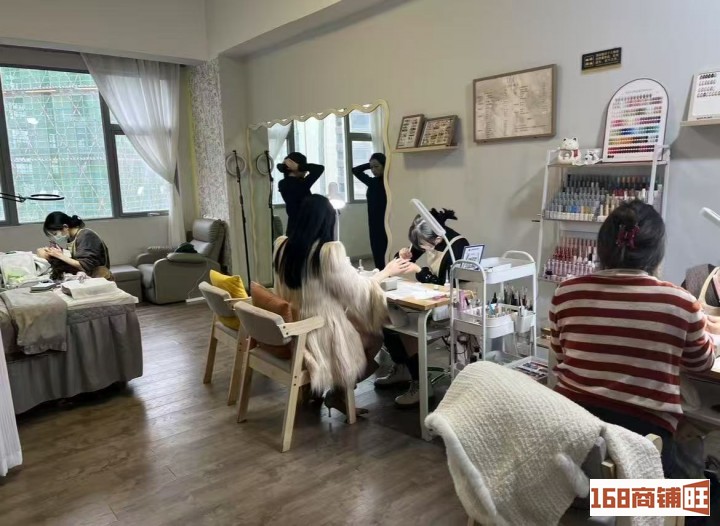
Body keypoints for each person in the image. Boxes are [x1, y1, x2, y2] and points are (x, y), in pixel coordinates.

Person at [550, 200, 718, 477]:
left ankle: (596, 500)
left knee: (597, 489)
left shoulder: (566, 292)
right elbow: (702, 363)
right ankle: (674, 503)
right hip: (645, 446)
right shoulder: (681, 303)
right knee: (697, 490)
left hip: (573, 435)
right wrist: (707, 333)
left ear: (602, 247)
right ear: (657, 252)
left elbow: (561, 354)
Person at [273, 194, 412, 416]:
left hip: (295, 328)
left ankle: (316, 392)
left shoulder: (283, 247)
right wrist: (387, 272)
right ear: (328, 221)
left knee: (354, 321)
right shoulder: (327, 253)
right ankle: (339, 393)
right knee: (375, 336)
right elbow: (357, 292)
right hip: (321, 334)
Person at [376, 208, 470, 406]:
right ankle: (402, 368)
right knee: (386, 318)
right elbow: (405, 260)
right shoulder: (428, 236)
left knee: (403, 327)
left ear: (437, 239)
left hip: (451, 304)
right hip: (431, 298)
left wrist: (419, 270)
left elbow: (443, 287)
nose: (421, 249)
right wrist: (402, 255)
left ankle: (421, 384)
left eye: (424, 245)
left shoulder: (457, 247)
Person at [36, 212, 113, 281]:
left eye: (55, 234)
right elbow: (75, 261)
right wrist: (61, 254)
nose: (55, 237)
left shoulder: (86, 235)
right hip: (90, 278)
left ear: (65, 227)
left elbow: (85, 266)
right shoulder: (71, 239)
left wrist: (60, 256)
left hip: (101, 277)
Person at [352, 153, 388, 270]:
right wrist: (371, 164)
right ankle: (380, 271)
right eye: (371, 167)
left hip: (387, 220)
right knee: (376, 248)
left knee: (386, 248)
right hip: (373, 222)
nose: (373, 170)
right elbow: (355, 170)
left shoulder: (389, 182)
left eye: (376, 166)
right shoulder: (372, 182)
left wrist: (382, 163)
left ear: (384, 165)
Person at [277, 152, 324, 236]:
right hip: (304, 228)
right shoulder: (301, 184)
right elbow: (319, 168)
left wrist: (291, 166)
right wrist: (298, 167)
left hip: (293, 227)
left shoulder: (283, 183)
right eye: (303, 167)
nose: (306, 172)